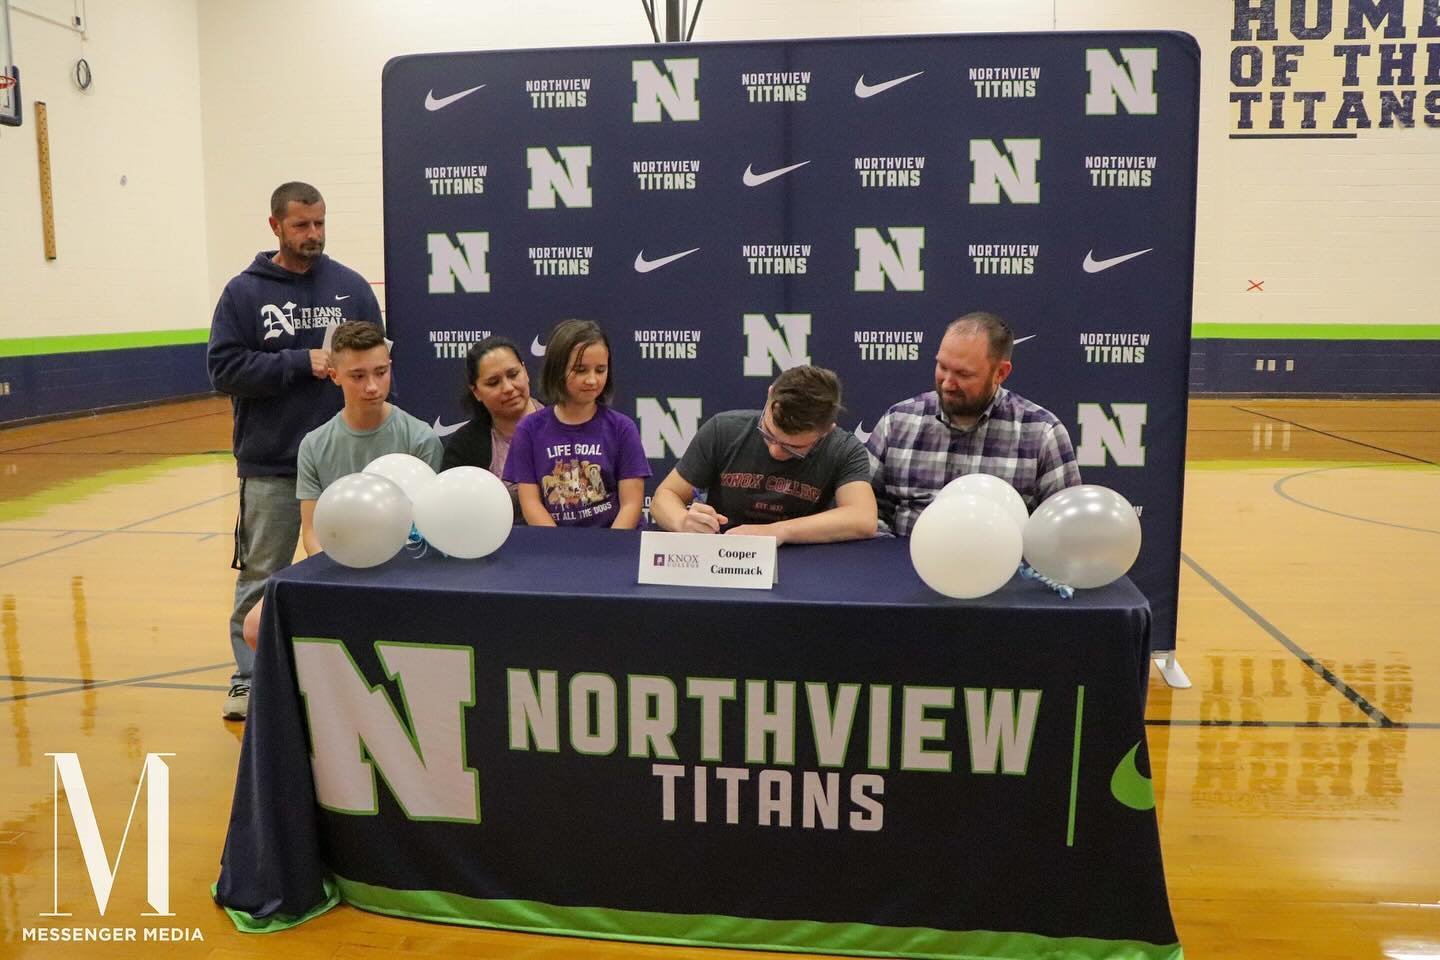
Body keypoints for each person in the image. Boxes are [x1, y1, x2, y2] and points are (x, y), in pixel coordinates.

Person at [207, 181, 382, 721]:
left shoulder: (350, 287)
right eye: (302, 225)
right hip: (274, 464)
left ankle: (354, 673)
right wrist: (297, 362)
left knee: (364, 571)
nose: (314, 235)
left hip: (349, 465)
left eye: (321, 223)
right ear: (276, 226)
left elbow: (377, 362)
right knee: (263, 573)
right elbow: (224, 369)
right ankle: (248, 679)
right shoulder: (243, 294)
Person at [242, 320, 442, 650]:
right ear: (334, 375)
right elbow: (312, 531)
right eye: (358, 376)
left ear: (390, 367)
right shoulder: (314, 444)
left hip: (402, 571)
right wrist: (336, 574)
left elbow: (424, 530)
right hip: (337, 567)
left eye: (380, 372)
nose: (373, 387)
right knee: (254, 625)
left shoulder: (420, 438)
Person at [866, 311, 1081, 536]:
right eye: (942, 367)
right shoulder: (898, 421)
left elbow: (1064, 532)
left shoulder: (1042, 433)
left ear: (1000, 373)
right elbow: (865, 515)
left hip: (1004, 568)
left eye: (963, 374)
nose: (948, 383)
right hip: (901, 565)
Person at [649, 365, 877, 544]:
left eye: (793, 448)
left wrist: (777, 532)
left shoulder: (844, 449)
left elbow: (863, 519)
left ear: (826, 431)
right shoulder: (724, 429)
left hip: (805, 559)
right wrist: (683, 521)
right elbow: (664, 497)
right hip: (723, 554)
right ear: (769, 396)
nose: (775, 451)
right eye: (768, 433)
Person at [503, 319, 651, 528]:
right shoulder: (529, 430)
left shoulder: (622, 428)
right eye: (580, 370)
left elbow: (631, 505)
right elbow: (531, 503)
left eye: (600, 370)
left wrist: (608, 552)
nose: (592, 380)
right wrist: (560, 549)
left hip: (616, 547)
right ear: (557, 369)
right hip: (555, 548)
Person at [440, 336, 544, 521]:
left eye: (513, 374)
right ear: (476, 392)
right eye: (493, 382)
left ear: (525, 371)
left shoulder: (564, 423)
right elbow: (451, 512)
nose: (508, 388)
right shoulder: (464, 446)